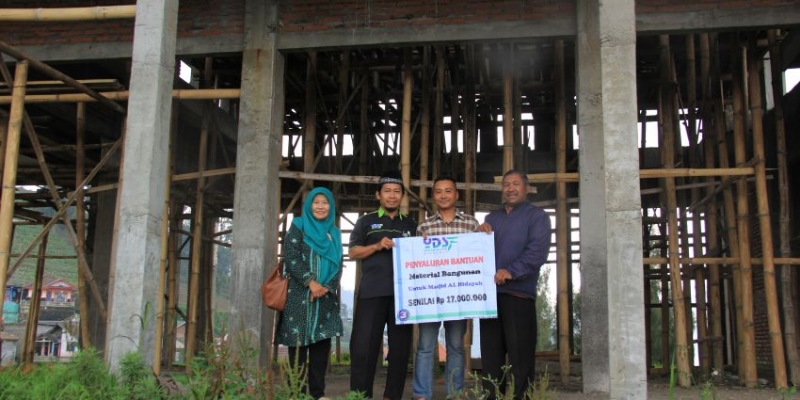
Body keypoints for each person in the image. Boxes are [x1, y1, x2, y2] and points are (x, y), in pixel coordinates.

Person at [476, 170, 551, 400]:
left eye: (515, 184)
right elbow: (477, 255)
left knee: (521, 357)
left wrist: (512, 271)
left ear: (526, 188)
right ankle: (493, 397)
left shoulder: (537, 217)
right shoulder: (492, 219)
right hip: (490, 298)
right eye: (506, 184)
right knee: (491, 358)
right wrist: (478, 234)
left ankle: (523, 397)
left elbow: (537, 252)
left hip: (518, 295)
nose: (510, 188)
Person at [348, 171, 417, 400]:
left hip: (402, 297)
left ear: (402, 196)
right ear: (378, 195)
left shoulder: (410, 224)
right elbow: (353, 251)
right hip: (372, 293)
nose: (392, 195)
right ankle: (360, 395)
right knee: (363, 348)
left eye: (397, 191)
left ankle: (392, 396)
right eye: (387, 191)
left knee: (399, 351)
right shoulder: (365, 221)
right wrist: (376, 246)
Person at [412, 176, 480, 400]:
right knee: (425, 347)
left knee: (456, 346)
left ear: (456, 195)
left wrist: (485, 233)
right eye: (438, 191)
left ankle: (455, 393)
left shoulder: (471, 224)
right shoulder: (424, 226)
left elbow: (478, 257)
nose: (443, 195)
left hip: (459, 296)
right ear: (433, 196)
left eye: (448, 191)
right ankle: (422, 394)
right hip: (430, 297)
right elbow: (415, 261)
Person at [275, 187, 343, 400]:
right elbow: (292, 256)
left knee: (321, 349)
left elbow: (338, 264)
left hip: (325, 297)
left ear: (331, 207)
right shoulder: (298, 226)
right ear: (309, 205)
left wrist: (326, 287)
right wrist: (311, 283)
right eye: (316, 202)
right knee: (298, 349)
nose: (321, 206)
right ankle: (296, 393)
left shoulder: (334, 233)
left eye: (325, 203)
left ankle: (318, 394)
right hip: (298, 295)